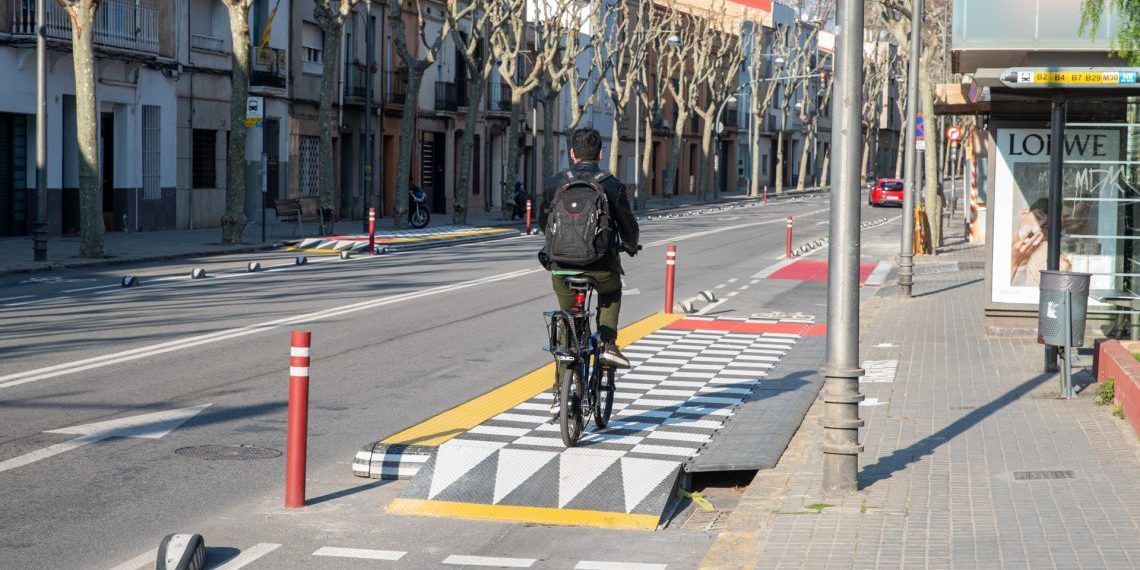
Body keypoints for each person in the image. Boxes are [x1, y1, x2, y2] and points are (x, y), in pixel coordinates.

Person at [540, 128, 639, 414]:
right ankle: (608, 343)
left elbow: (542, 223)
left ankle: (559, 394)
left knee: (568, 325)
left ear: (572, 154)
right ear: (599, 154)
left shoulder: (555, 183)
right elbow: (628, 226)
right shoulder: (611, 184)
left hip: (560, 268)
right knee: (611, 293)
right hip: (600, 266)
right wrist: (631, 245)